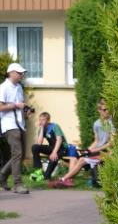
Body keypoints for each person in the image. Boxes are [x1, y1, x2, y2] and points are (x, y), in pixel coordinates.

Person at [50, 100, 115, 188]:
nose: (107, 111)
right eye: (104, 109)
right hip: (100, 151)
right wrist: (87, 150)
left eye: (108, 109)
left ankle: (64, 180)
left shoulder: (111, 123)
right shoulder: (97, 124)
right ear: (99, 110)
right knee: (78, 159)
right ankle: (66, 180)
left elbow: (111, 143)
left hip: (109, 152)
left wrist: (94, 150)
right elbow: (97, 141)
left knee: (82, 160)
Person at [0, 62, 32, 194]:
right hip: (9, 124)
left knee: (21, 154)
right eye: (19, 73)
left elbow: (20, 105)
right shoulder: (3, 87)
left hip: (20, 124)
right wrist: (16, 106)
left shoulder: (19, 87)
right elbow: (0, 107)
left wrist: (26, 110)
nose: (21, 75)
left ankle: (2, 176)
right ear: (11, 73)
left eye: (22, 73)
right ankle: (17, 184)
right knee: (17, 153)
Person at [31, 113, 71, 181]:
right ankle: (39, 169)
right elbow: (39, 143)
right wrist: (42, 128)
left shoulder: (55, 126)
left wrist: (54, 152)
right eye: (40, 120)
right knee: (35, 147)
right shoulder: (42, 129)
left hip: (62, 148)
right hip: (53, 147)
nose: (41, 121)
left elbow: (59, 140)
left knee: (53, 157)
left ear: (48, 120)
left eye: (43, 120)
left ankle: (47, 176)